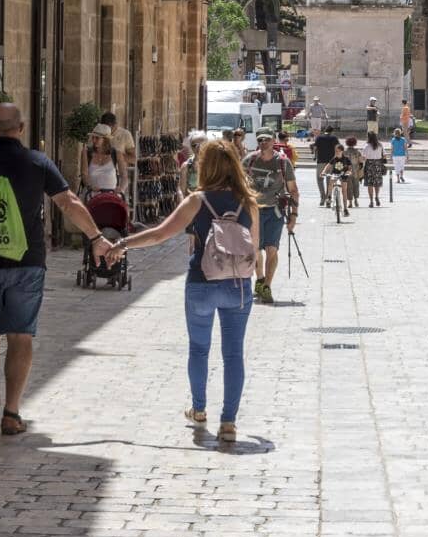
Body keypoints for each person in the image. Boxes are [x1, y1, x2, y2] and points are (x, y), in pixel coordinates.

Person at [0, 104, 112, 436]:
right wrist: (96, 237)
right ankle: (12, 412)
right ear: (21, 128)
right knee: (21, 335)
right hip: (27, 262)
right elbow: (69, 202)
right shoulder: (37, 162)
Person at [108, 142, 259, 440]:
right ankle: (228, 422)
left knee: (199, 348)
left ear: (205, 166)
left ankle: (199, 409)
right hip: (237, 287)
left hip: (202, 283)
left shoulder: (196, 201)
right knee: (233, 354)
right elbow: (254, 247)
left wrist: (123, 244)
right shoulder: (248, 202)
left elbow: (160, 234)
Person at [244, 132, 299, 303]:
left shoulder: (282, 161)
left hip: (275, 211)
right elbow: (237, 183)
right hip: (253, 211)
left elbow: (293, 190)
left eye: (267, 139)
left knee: (271, 249)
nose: (263, 142)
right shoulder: (249, 160)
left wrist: (294, 215)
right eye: (260, 139)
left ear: (274, 140)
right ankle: (260, 279)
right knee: (255, 249)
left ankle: (267, 286)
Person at [101, 110, 137, 201]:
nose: (107, 131)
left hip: (118, 178)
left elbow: (134, 159)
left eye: (109, 128)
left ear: (115, 125)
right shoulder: (98, 134)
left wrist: (118, 156)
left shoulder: (125, 134)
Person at [82, 125, 125, 197]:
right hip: (92, 195)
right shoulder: (86, 152)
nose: (94, 140)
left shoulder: (116, 153)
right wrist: (89, 186)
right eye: (93, 137)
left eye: (97, 138)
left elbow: (124, 175)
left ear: (105, 140)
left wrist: (121, 188)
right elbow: (84, 174)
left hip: (112, 196)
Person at [313, 125, 341, 206]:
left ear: (325, 130)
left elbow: (315, 148)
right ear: (332, 131)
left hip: (321, 161)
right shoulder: (334, 138)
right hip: (331, 162)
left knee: (319, 179)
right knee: (330, 181)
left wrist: (315, 156)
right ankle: (328, 198)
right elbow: (338, 149)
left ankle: (322, 197)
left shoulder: (319, 138)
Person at [359, 131, 387, 208]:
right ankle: (377, 196)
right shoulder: (380, 145)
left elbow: (363, 157)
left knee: (370, 184)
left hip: (369, 165)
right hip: (378, 165)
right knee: (377, 182)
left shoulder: (367, 146)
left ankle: (371, 201)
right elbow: (384, 155)